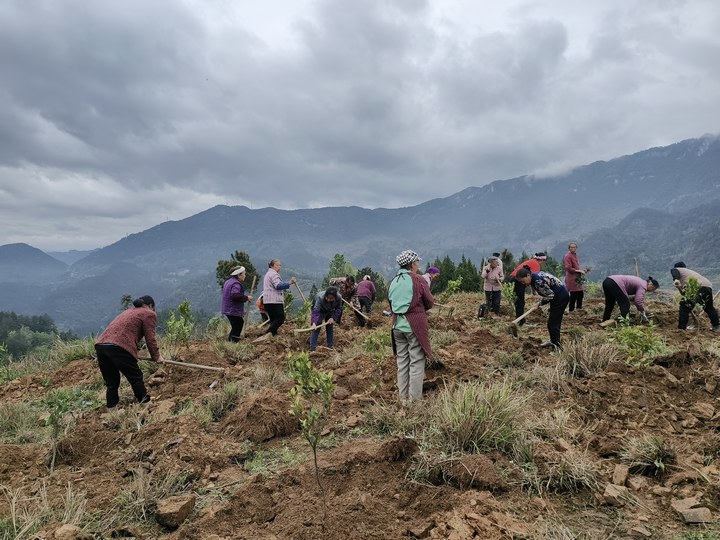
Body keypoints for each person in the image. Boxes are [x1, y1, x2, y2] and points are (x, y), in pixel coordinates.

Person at [94, 295, 164, 409]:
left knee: (112, 382)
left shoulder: (129, 311)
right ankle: (145, 404)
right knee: (136, 377)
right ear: (151, 306)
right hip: (119, 346)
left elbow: (127, 331)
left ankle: (112, 409)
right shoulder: (149, 313)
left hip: (101, 345)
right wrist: (157, 356)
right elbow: (150, 338)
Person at [387, 250, 434, 402]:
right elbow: (430, 302)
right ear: (412, 264)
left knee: (402, 363)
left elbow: (391, 303)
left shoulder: (393, 282)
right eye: (417, 262)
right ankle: (414, 402)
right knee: (416, 363)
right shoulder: (418, 280)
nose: (418, 265)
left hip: (397, 327)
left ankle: (403, 400)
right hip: (414, 327)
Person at [515, 268, 569, 349]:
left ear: (528, 275)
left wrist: (539, 303)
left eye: (523, 281)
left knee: (552, 324)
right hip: (558, 296)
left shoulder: (537, 281)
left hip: (560, 298)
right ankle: (553, 341)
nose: (523, 284)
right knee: (554, 322)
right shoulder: (535, 276)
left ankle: (557, 347)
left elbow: (550, 295)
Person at [670, 262, 720, 332]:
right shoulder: (689, 273)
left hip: (695, 286)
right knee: (709, 308)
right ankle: (716, 327)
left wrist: (676, 279)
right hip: (707, 286)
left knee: (684, 307)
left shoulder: (677, 270)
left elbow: (674, 271)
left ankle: (682, 328)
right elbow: (684, 293)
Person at [258, 259, 296, 340]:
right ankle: (268, 333)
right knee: (280, 318)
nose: (279, 267)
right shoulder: (273, 274)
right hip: (274, 301)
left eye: (280, 265)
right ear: (272, 266)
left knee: (273, 319)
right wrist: (289, 282)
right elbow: (278, 285)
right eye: (277, 265)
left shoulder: (268, 274)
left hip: (267, 301)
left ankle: (273, 335)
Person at [507, 253, 547, 324]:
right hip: (517, 280)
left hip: (513, 278)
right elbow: (534, 279)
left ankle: (520, 319)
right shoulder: (536, 264)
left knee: (518, 301)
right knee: (520, 302)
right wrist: (535, 290)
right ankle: (520, 321)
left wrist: (533, 290)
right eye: (544, 261)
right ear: (542, 260)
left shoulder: (532, 261)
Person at [221, 266, 253, 342]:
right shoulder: (236, 284)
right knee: (238, 324)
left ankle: (230, 342)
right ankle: (234, 342)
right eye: (244, 274)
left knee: (236, 325)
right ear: (239, 275)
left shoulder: (228, 281)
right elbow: (234, 295)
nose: (245, 275)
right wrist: (246, 298)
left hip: (227, 308)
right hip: (232, 309)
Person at [309, 286, 342, 351]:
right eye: (327, 298)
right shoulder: (320, 298)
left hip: (330, 310)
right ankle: (313, 348)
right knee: (316, 328)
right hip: (320, 311)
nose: (329, 300)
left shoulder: (339, 297)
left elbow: (339, 309)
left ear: (335, 297)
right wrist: (314, 323)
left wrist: (333, 318)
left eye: (331, 298)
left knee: (330, 326)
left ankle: (330, 345)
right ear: (325, 295)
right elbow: (316, 311)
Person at [563, 242, 590, 312]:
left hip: (577, 277)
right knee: (574, 294)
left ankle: (579, 309)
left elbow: (576, 266)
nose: (573, 248)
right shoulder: (567, 256)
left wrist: (582, 270)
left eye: (574, 247)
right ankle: (571, 310)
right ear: (569, 248)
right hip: (571, 278)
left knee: (580, 293)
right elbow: (568, 268)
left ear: (576, 248)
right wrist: (578, 271)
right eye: (571, 247)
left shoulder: (574, 255)